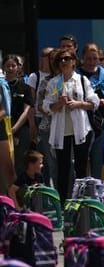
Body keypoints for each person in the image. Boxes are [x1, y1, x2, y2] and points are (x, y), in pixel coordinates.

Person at [43, 47, 100, 202]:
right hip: (61, 132)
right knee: (63, 169)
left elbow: (94, 102)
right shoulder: (54, 83)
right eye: (61, 59)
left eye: (67, 58)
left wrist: (78, 104)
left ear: (74, 62)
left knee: (81, 168)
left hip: (81, 130)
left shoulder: (82, 80)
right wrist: (58, 104)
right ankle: (62, 204)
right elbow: (46, 107)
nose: (64, 61)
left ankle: (81, 203)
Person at [77, 43, 104, 179]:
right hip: (81, 120)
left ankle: (97, 189)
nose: (92, 62)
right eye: (88, 59)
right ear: (83, 59)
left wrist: (101, 100)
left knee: (97, 159)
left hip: (100, 122)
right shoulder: (76, 74)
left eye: (95, 59)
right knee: (81, 159)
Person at [29, 47, 57, 185]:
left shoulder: (72, 78)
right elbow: (36, 103)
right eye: (47, 57)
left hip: (67, 125)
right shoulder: (40, 79)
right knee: (48, 161)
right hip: (45, 123)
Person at [4, 55, 35, 177]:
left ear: (18, 68)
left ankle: (19, 192)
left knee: (20, 162)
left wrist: (14, 128)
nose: (11, 68)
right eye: (8, 66)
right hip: (3, 128)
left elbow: (27, 111)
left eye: (13, 66)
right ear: (3, 67)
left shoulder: (25, 88)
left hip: (21, 128)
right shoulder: (1, 86)